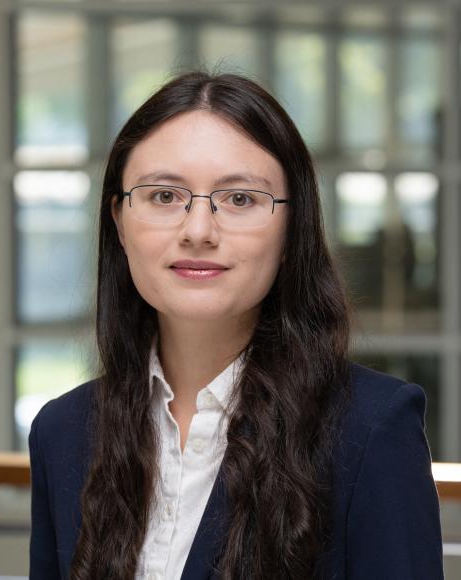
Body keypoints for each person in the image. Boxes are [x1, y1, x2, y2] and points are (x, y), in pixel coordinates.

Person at [28, 71, 444, 580]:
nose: (198, 230)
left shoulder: (372, 429)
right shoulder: (63, 432)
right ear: (118, 222)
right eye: (164, 196)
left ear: (294, 229)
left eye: (240, 199)